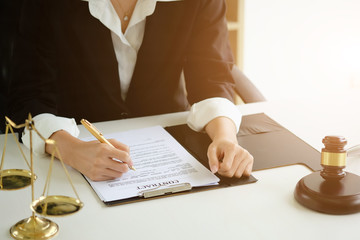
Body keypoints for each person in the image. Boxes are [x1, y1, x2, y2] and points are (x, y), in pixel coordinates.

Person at [8, 0, 254, 181]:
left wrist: (225, 137)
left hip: (165, 145)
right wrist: (71, 150)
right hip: (71, 152)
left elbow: (211, 77)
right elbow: (29, 96)